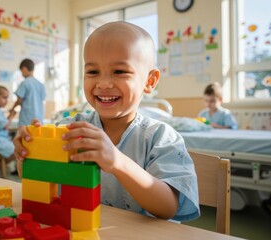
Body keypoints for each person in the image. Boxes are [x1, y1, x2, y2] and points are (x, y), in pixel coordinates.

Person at [13, 22, 200, 222]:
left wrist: (118, 162)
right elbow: (32, 177)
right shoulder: (71, 129)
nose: (103, 84)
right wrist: (28, 153)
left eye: (119, 71)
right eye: (93, 72)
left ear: (149, 81)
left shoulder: (160, 137)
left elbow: (168, 207)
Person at [9, 58, 46, 127]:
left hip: (27, 120)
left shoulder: (25, 83)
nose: (22, 73)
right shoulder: (41, 85)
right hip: (39, 120)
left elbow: (19, 100)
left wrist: (12, 109)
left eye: (21, 71)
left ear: (24, 69)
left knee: (25, 136)